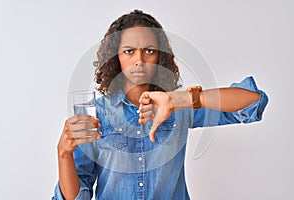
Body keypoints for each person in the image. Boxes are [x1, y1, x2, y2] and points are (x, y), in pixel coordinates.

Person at [52, 9, 268, 200]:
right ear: (115, 57)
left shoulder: (180, 108)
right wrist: (64, 153)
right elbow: (77, 197)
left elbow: (252, 101)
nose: (139, 59)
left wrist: (177, 100)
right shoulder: (96, 113)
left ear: (159, 56)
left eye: (149, 50)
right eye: (129, 51)